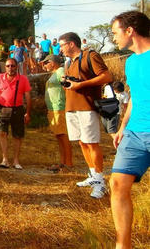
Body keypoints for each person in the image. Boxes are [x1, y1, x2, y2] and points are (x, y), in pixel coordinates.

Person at [109, 11, 150, 249]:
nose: (114, 38)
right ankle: (123, 246)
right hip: (134, 133)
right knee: (117, 184)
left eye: (115, 32)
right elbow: (134, 97)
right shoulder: (131, 62)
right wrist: (122, 127)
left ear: (130, 31)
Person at [58, 32, 112, 199]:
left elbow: (106, 76)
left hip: (87, 107)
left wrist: (81, 84)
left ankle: (100, 182)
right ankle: (93, 175)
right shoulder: (69, 63)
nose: (60, 49)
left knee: (92, 143)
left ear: (71, 44)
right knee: (82, 142)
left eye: (62, 45)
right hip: (72, 106)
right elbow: (74, 84)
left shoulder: (90, 55)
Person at [0, 58, 31, 169]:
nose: (10, 68)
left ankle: (16, 161)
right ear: (5, 67)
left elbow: (27, 97)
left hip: (17, 110)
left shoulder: (23, 79)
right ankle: (4, 159)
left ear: (16, 67)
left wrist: (27, 113)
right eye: (8, 66)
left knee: (17, 135)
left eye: (12, 66)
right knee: (2, 133)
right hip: (3, 109)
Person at [42, 54, 73, 172]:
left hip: (60, 108)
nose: (44, 65)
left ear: (53, 62)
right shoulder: (54, 74)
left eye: (46, 62)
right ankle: (62, 162)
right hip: (53, 109)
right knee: (59, 136)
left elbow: (65, 82)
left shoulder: (60, 71)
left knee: (63, 136)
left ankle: (68, 164)